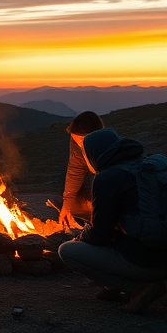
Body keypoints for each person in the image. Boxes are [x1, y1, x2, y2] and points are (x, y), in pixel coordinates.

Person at [59, 128, 167, 314]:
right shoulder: (150, 167)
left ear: (92, 154)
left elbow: (100, 235)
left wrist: (80, 236)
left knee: (67, 251)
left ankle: (138, 288)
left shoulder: (108, 177)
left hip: (147, 263)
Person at [59, 111, 104, 229]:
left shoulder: (110, 154)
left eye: (81, 140)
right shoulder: (77, 143)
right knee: (77, 200)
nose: (79, 145)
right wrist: (67, 205)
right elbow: (75, 170)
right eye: (76, 141)